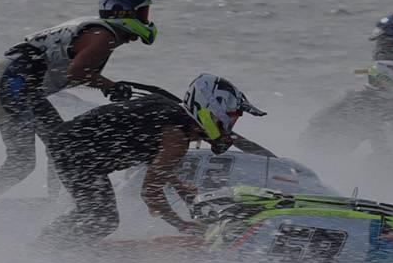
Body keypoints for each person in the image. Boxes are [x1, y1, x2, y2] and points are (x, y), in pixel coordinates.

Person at [0, 0, 163, 214]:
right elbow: (77, 71)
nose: (147, 19)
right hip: (13, 81)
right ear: (123, 12)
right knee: (23, 161)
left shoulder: (101, 32)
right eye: (143, 12)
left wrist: (109, 86)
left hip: (18, 82)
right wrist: (110, 86)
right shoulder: (103, 36)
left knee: (61, 144)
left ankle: (56, 203)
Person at [40, 74, 263, 245]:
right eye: (231, 121)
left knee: (92, 212)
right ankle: (54, 253)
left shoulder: (172, 114)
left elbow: (151, 154)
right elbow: (150, 193)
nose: (231, 130)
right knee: (104, 219)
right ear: (212, 112)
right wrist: (182, 225)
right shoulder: (176, 137)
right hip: (74, 152)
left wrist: (178, 186)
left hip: (71, 145)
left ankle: (48, 240)